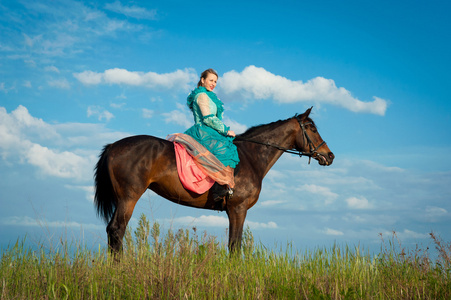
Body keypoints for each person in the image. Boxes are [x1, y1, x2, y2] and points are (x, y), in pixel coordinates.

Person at [184, 69, 240, 208]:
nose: (213, 83)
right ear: (202, 80)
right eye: (211, 80)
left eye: (215, 81)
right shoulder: (202, 95)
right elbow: (208, 118)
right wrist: (226, 130)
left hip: (210, 130)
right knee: (226, 150)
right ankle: (218, 190)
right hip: (203, 130)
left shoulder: (209, 96)